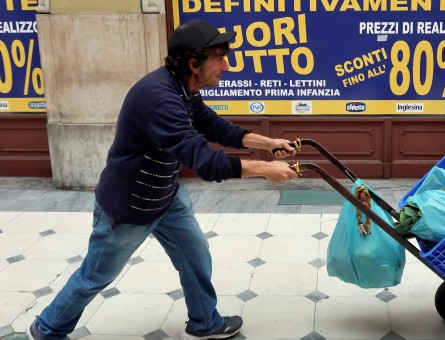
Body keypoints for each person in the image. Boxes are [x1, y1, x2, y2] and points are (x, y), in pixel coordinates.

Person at [27, 19, 299, 340]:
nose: (227, 66)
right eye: (220, 58)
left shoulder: (183, 89)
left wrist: (270, 144)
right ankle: (47, 329)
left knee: (195, 256)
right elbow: (204, 161)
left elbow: (216, 128)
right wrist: (266, 170)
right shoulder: (159, 99)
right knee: (95, 276)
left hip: (166, 196)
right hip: (128, 208)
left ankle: (204, 323)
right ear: (194, 64)